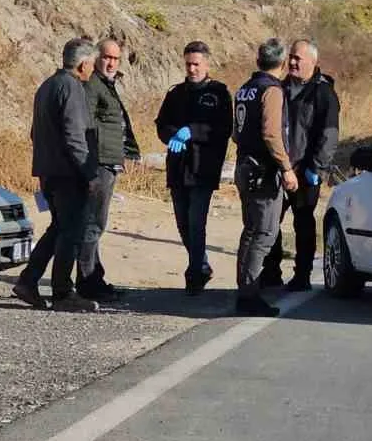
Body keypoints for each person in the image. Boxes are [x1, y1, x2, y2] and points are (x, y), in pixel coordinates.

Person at [14, 37, 100, 313]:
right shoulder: (71, 87)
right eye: (93, 63)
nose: (93, 69)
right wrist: (88, 171)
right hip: (66, 173)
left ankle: (28, 280)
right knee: (70, 232)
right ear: (84, 63)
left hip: (48, 171)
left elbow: (35, 133)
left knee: (59, 228)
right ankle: (63, 292)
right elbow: (74, 135)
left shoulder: (48, 85)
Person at [155, 41, 233, 296]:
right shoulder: (176, 93)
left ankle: (194, 274)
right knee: (182, 223)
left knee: (196, 221)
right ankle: (202, 264)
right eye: (188, 64)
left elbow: (223, 130)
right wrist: (174, 135)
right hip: (178, 167)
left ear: (207, 64)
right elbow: (161, 125)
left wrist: (194, 131)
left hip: (203, 168)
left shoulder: (219, 93)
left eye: (196, 64)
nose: (192, 69)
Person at [263, 39, 340, 292]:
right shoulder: (280, 88)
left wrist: (316, 168)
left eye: (298, 58)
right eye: (291, 57)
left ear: (313, 62)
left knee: (303, 224)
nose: (293, 62)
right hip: (279, 168)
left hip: (306, 171)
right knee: (270, 221)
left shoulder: (323, 93)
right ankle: (271, 270)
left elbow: (329, 135)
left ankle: (302, 275)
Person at [231, 38, 299, 318]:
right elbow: (271, 133)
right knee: (264, 233)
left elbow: (236, 132)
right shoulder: (271, 90)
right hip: (263, 171)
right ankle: (250, 293)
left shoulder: (245, 89)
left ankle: (244, 291)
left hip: (244, 165)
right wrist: (286, 168)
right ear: (282, 63)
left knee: (250, 231)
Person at [78, 36, 140, 301]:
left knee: (96, 223)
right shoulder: (93, 85)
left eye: (115, 58)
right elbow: (87, 125)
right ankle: (87, 282)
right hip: (99, 163)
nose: (111, 63)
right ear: (96, 58)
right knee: (93, 223)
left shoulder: (107, 85)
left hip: (110, 161)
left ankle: (95, 277)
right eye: (107, 57)